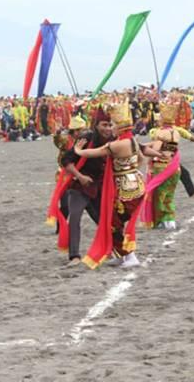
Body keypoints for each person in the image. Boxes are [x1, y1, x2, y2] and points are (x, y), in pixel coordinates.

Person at [75, 100, 146, 269]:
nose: (111, 128)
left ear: (119, 126)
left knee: (113, 222)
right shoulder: (132, 141)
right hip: (133, 184)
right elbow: (142, 159)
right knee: (112, 221)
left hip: (126, 189)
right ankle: (122, 256)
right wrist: (131, 170)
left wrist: (78, 151)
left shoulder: (118, 144)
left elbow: (98, 152)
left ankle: (130, 256)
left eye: (112, 124)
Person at [48, 109, 113, 266]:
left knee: (104, 220)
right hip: (80, 186)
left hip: (99, 186)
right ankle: (74, 256)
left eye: (110, 125)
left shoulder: (112, 139)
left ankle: (112, 250)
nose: (107, 128)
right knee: (75, 216)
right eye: (104, 125)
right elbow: (66, 160)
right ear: (96, 125)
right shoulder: (86, 139)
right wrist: (80, 176)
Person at [144, 99, 185, 230]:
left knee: (159, 194)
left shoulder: (160, 132)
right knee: (169, 194)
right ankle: (170, 219)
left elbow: (156, 149)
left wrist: (145, 153)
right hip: (174, 166)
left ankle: (163, 220)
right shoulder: (176, 132)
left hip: (161, 166)